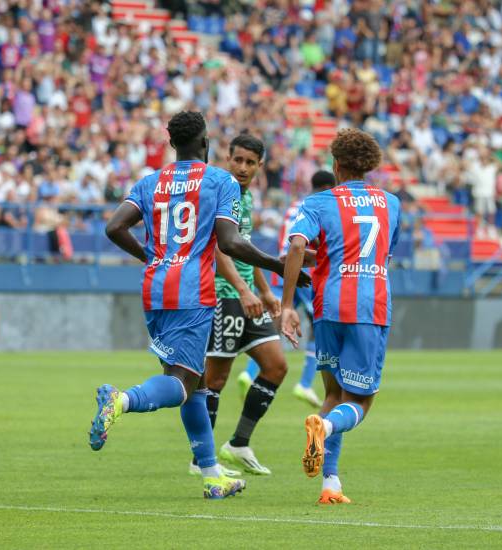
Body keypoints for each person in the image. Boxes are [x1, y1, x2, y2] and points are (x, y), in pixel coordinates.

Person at [91, 111, 305, 499]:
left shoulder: (150, 182)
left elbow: (113, 227)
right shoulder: (219, 181)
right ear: (205, 143)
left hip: (155, 289)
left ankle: (211, 474)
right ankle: (120, 400)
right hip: (193, 292)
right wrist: (277, 264)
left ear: (172, 143)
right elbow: (230, 242)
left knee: (199, 384)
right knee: (182, 383)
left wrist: (149, 256)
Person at [281, 128, 401, 505]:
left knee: (333, 392)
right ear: (369, 166)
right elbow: (379, 256)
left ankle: (330, 483)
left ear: (335, 164)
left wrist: (286, 306)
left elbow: (298, 246)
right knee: (361, 401)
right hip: (369, 306)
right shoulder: (391, 203)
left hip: (328, 307)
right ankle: (326, 427)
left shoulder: (319, 202)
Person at [192, 133, 285, 477]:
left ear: (260, 166)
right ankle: (201, 461)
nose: (242, 167)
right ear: (227, 159)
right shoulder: (221, 192)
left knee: (276, 366)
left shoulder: (246, 198)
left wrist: (264, 291)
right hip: (223, 295)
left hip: (246, 296)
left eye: (250, 162)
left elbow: (245, 247)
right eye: (237, 160)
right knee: (215, 380)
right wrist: (245, 291)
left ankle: (238, 443)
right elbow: (219, 250)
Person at [240, 170, 336, 409]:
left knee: (276, 321)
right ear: (327, 188)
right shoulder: (321, 207)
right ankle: (304, 383)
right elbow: (306, 245)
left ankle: (249, 372)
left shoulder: (295, 206)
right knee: (317, 327)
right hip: (302, 273)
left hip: (280, 268)